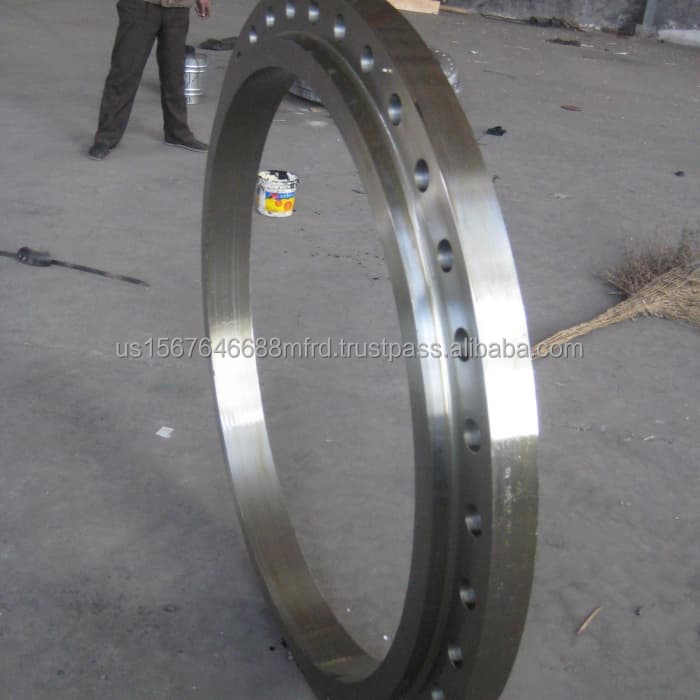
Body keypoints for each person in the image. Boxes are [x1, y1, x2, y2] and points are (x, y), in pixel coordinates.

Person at [88, 0, 212, 160]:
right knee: (125, 71)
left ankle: (177, 132)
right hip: (140, 7)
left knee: (174, 73)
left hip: (178, 8)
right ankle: (106, 138)